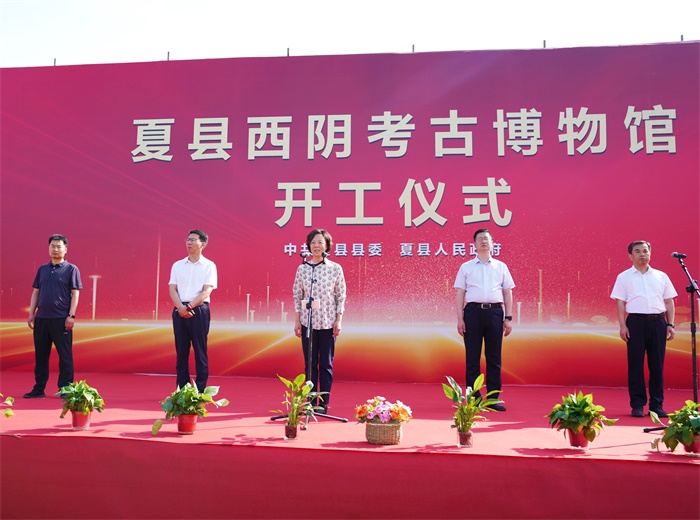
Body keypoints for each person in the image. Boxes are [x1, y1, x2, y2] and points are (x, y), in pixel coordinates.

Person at [610, 240, 677, 418]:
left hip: (658, 322)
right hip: (635, 323)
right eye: (637, 251)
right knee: (635, 365)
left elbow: (669, 301)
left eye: (645, 251)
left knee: (657, 365)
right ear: (630, 256)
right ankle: (637, 405)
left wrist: (670, 324)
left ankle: (656, 405)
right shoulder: (624, 277)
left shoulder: (661, 276)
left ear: (650, 254)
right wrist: (623, 326)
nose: (642, 254)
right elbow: (620, 302)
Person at [454, 228, 515, 411]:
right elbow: (460, 293)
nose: (483, 242)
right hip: (472, 313)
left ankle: (493, 399)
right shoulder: (466, 267)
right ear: (474, 244)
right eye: (479, 239)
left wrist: (508, 317)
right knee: (472, 357)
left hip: (495, 313)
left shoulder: (501, 266)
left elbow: (507, 292)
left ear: (492, 243)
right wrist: (460, 319)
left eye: (486, 239)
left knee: (494, 358)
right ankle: (473, 399)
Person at [293, 229, 346, 413]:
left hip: (328, 321)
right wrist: (297, 321)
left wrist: (338, 320)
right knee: (310, 363)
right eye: (313, 243)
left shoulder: (335, 268)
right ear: (309, 246)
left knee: (325, 363)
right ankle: (309, 401)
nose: (316, 246)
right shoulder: (303, 268)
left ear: (327, 246)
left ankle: (323, 403)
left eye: (320, 242)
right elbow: (298, 295)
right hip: (308, 322)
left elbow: (340, 296)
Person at [25, 234, 83, 398]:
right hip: (42, 319)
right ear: (48, 248)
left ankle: (66, 388)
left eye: (59, 246)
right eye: (52, 246)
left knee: (65, 356)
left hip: (61, 319)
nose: (55, 249)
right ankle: (39, 389)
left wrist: (71, 315)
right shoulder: (42, 269)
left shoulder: (71, 269)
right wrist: (31, 313)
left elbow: (75, 293)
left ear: (65, 249)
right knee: (41, 356)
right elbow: (36, 292)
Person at [168, 229, 218, 393]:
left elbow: (206, 291)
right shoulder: (177, 265)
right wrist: (180, 308)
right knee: (181, 352)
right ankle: (182, 390)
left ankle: (200, 391)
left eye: (193, 240)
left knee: (200, 351)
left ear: (202, 244)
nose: (189, 242)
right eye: (187, 240)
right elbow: (172, 289)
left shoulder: (209, 266)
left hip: (199, 310)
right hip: (179, 309)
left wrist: (189, 307)